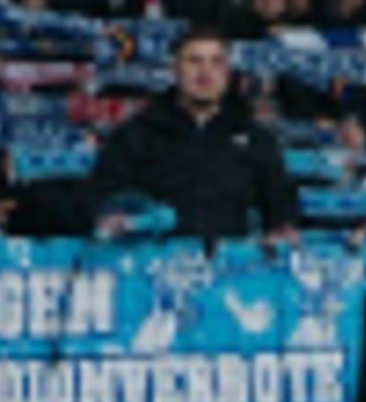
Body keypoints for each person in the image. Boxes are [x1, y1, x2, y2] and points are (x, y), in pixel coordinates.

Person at [84, 29, 298, 242]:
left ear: (227, 73)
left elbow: (280, 203)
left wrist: (281, 229)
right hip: (152, 259)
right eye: (194, 61)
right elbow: (104, 199)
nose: (205, 72)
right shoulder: (134, 135)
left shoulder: (256, 138)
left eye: (216, 62)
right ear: (174, 69)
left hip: (233, 265)